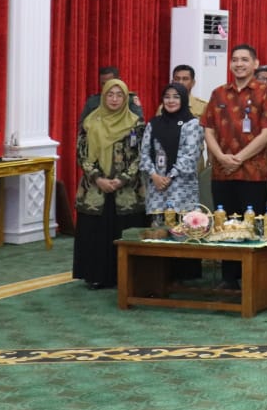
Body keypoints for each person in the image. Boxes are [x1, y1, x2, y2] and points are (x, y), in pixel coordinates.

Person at [202, 44, 267, 289]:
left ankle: (253, 280)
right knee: (225, 225)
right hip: (222, 172)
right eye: (235, 59)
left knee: (252, 226)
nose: (239, 64)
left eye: (245, 59)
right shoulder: (218, 93)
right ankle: (229, 278)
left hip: (252, 173)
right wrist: (221, 157)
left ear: (255, 64)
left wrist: (237, 158)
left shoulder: (265, 92)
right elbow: (208, 130)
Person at [73, 79, 145, 290]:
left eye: (119, 95)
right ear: (103, 97)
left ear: (125, 98)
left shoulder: (136, 123)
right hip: (95, 188)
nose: (114, 99)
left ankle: (127, 276)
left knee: (124, 231)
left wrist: (122, 179)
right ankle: (96, 276)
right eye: (110, 95)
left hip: (127, 189)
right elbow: (81, 154)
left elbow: (141, 155)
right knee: (96, 232)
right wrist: (98, 178)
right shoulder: (90, 122)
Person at [139, 82, 202, 218]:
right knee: (158, 227)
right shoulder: (153, 123)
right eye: (167, 97)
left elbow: (190, 156)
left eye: (176, 97)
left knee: (182, 227)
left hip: (182, 188)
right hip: (156, 187)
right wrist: (154, 175)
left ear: (183, 99)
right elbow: (144, 153)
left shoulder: (192, 124)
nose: (171, 101)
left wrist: (169, 177)